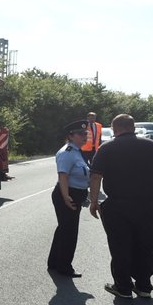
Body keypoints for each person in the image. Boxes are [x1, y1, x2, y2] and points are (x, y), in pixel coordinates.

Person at [89, 114, 153, 299]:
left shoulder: (106, 148)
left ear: (114, 128)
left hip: (117, 206)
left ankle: (123, 287)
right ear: (132, 127)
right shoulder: (151, 145)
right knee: (145, 245)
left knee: (120, 246)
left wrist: (93, 201)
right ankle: (144, 286)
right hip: (146, 205)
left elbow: (95, 176)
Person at [48, 119, 90, 278]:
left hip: (73, 194)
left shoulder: (77, 151)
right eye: (81, 134)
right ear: (71, 136)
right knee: (69, 232)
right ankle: (64, 267)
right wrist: (66, 197)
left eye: (85, 133)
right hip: (67, 194)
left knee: (63, 229)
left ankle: (54, 263)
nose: (84, 136)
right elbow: (63, 176)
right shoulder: (67, 152)